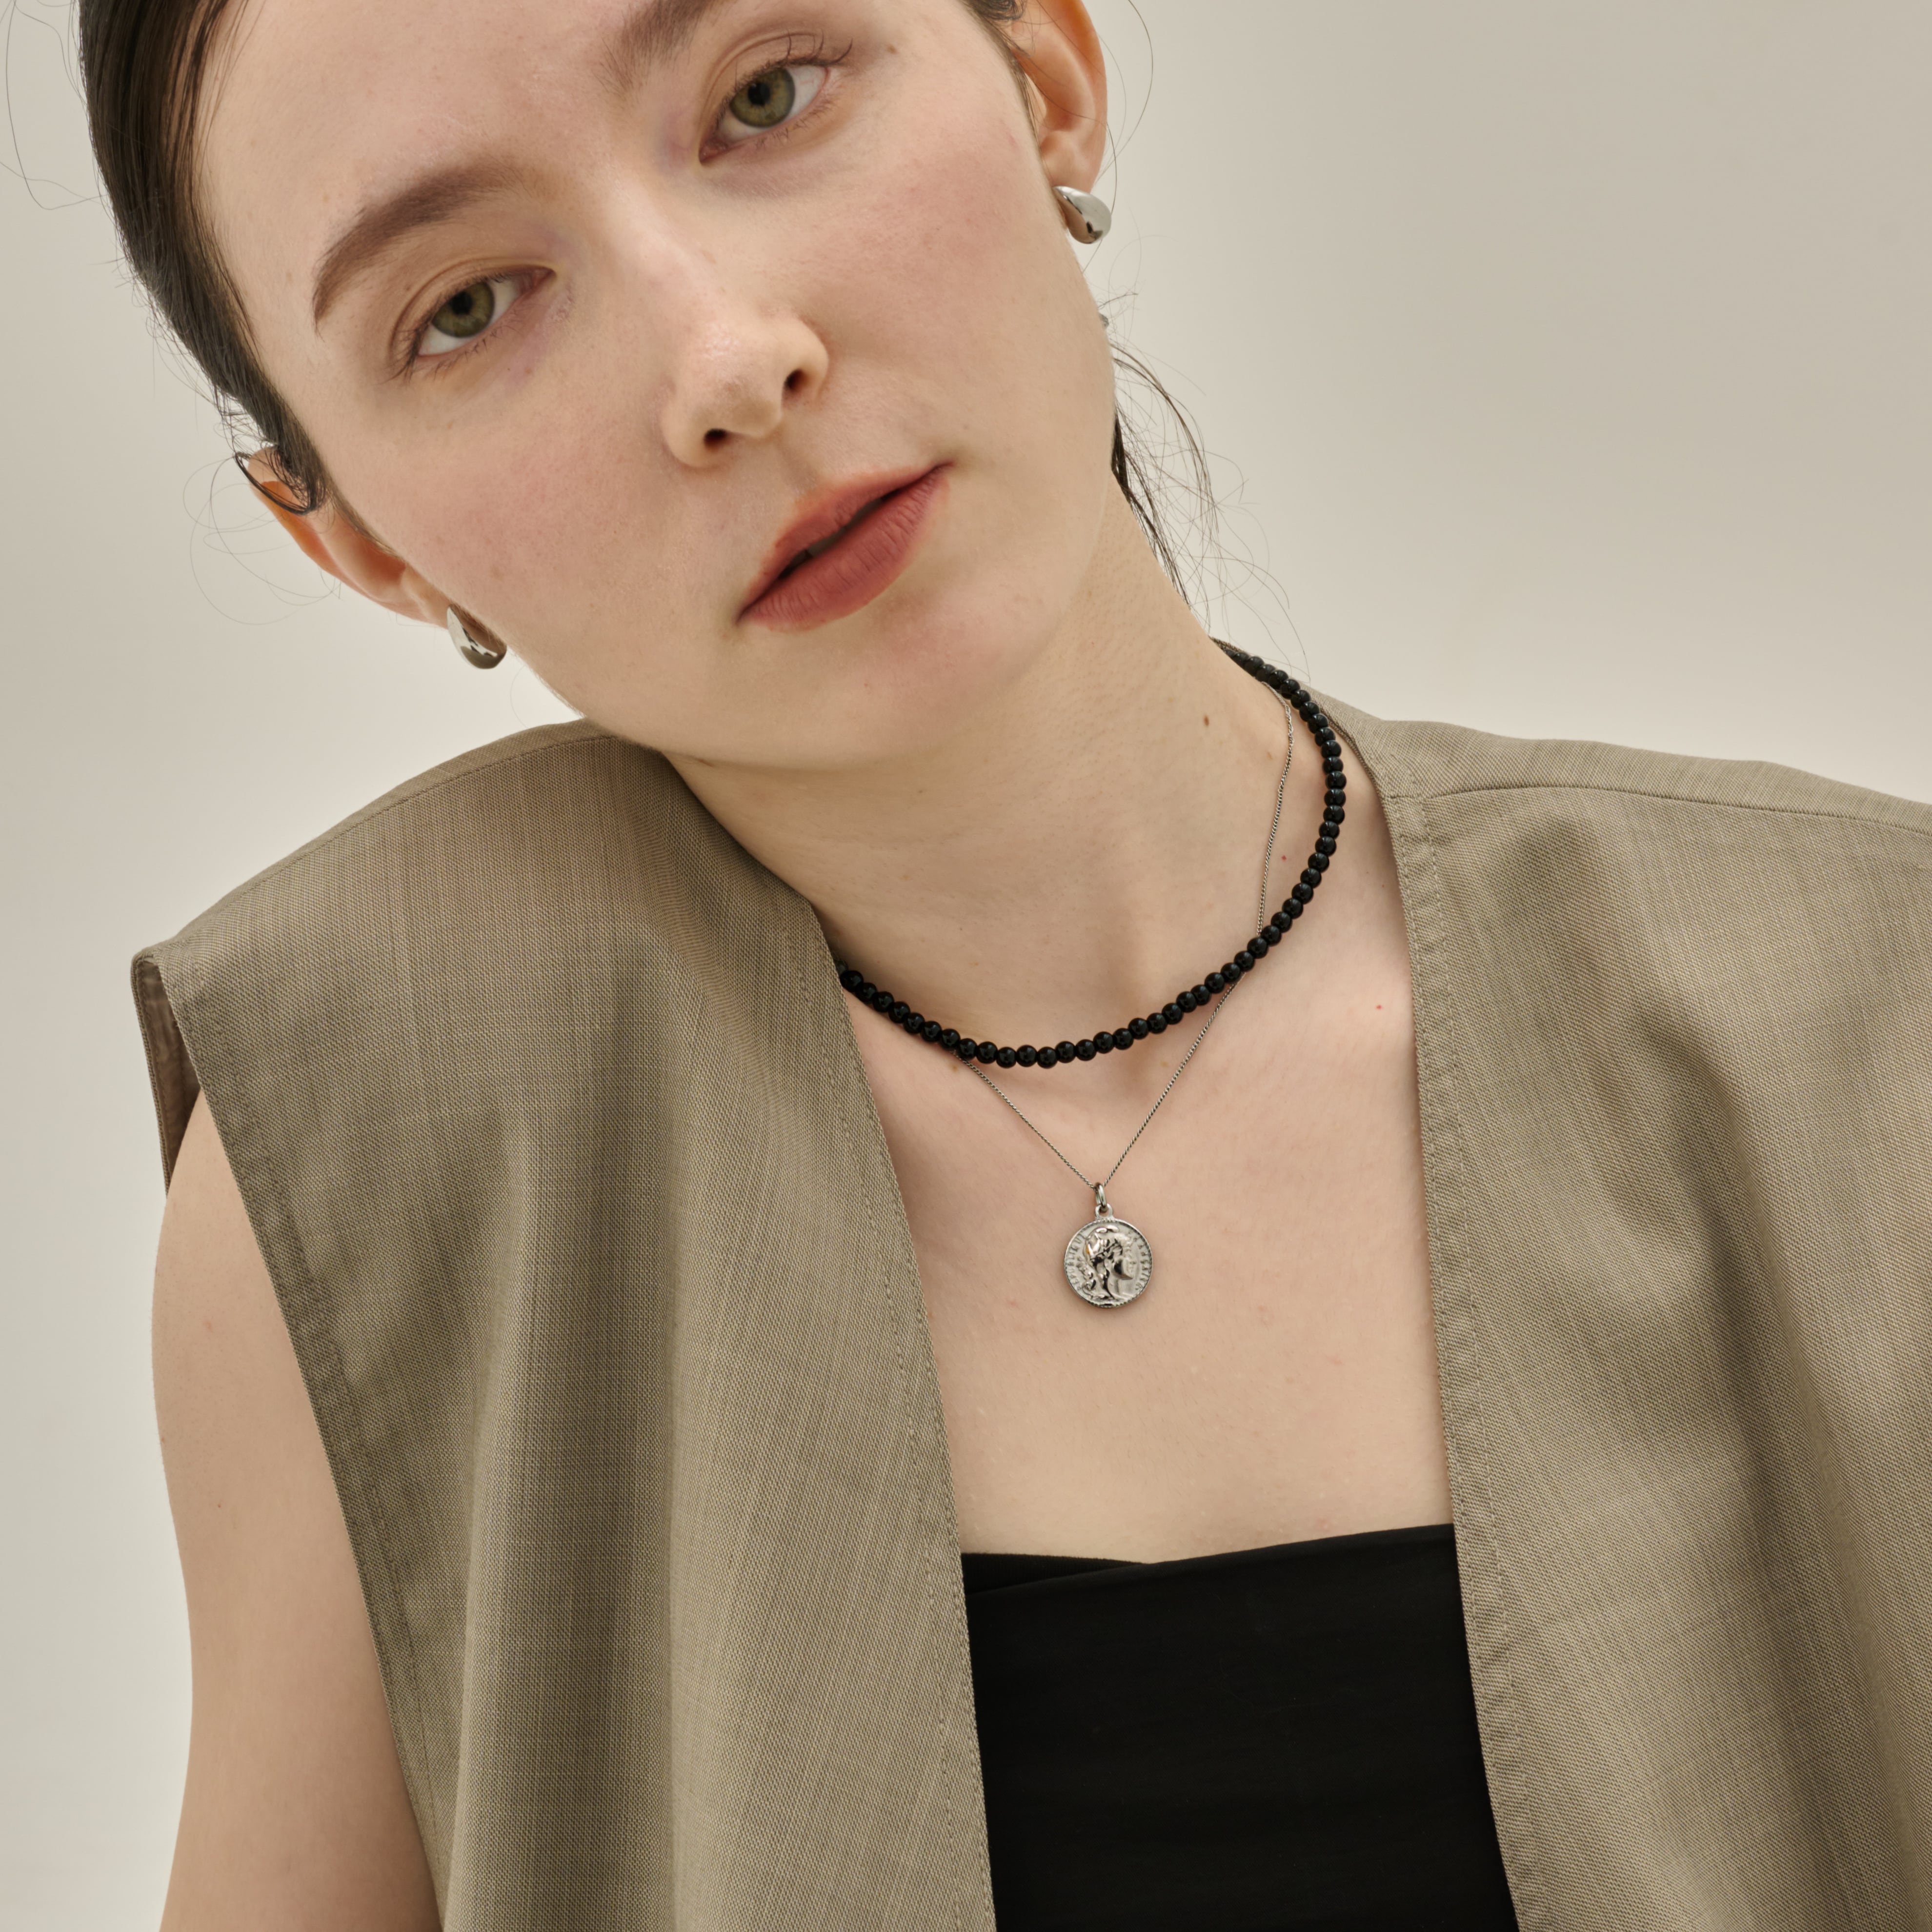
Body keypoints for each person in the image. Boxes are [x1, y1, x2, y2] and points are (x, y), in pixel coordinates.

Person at [85, 0, 1932, 1926]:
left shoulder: (1870, 1023)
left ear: (1047, 71)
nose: (728, 360)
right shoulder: (371, 1136)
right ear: (364, 545)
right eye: (465, 308)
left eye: (766, 97)